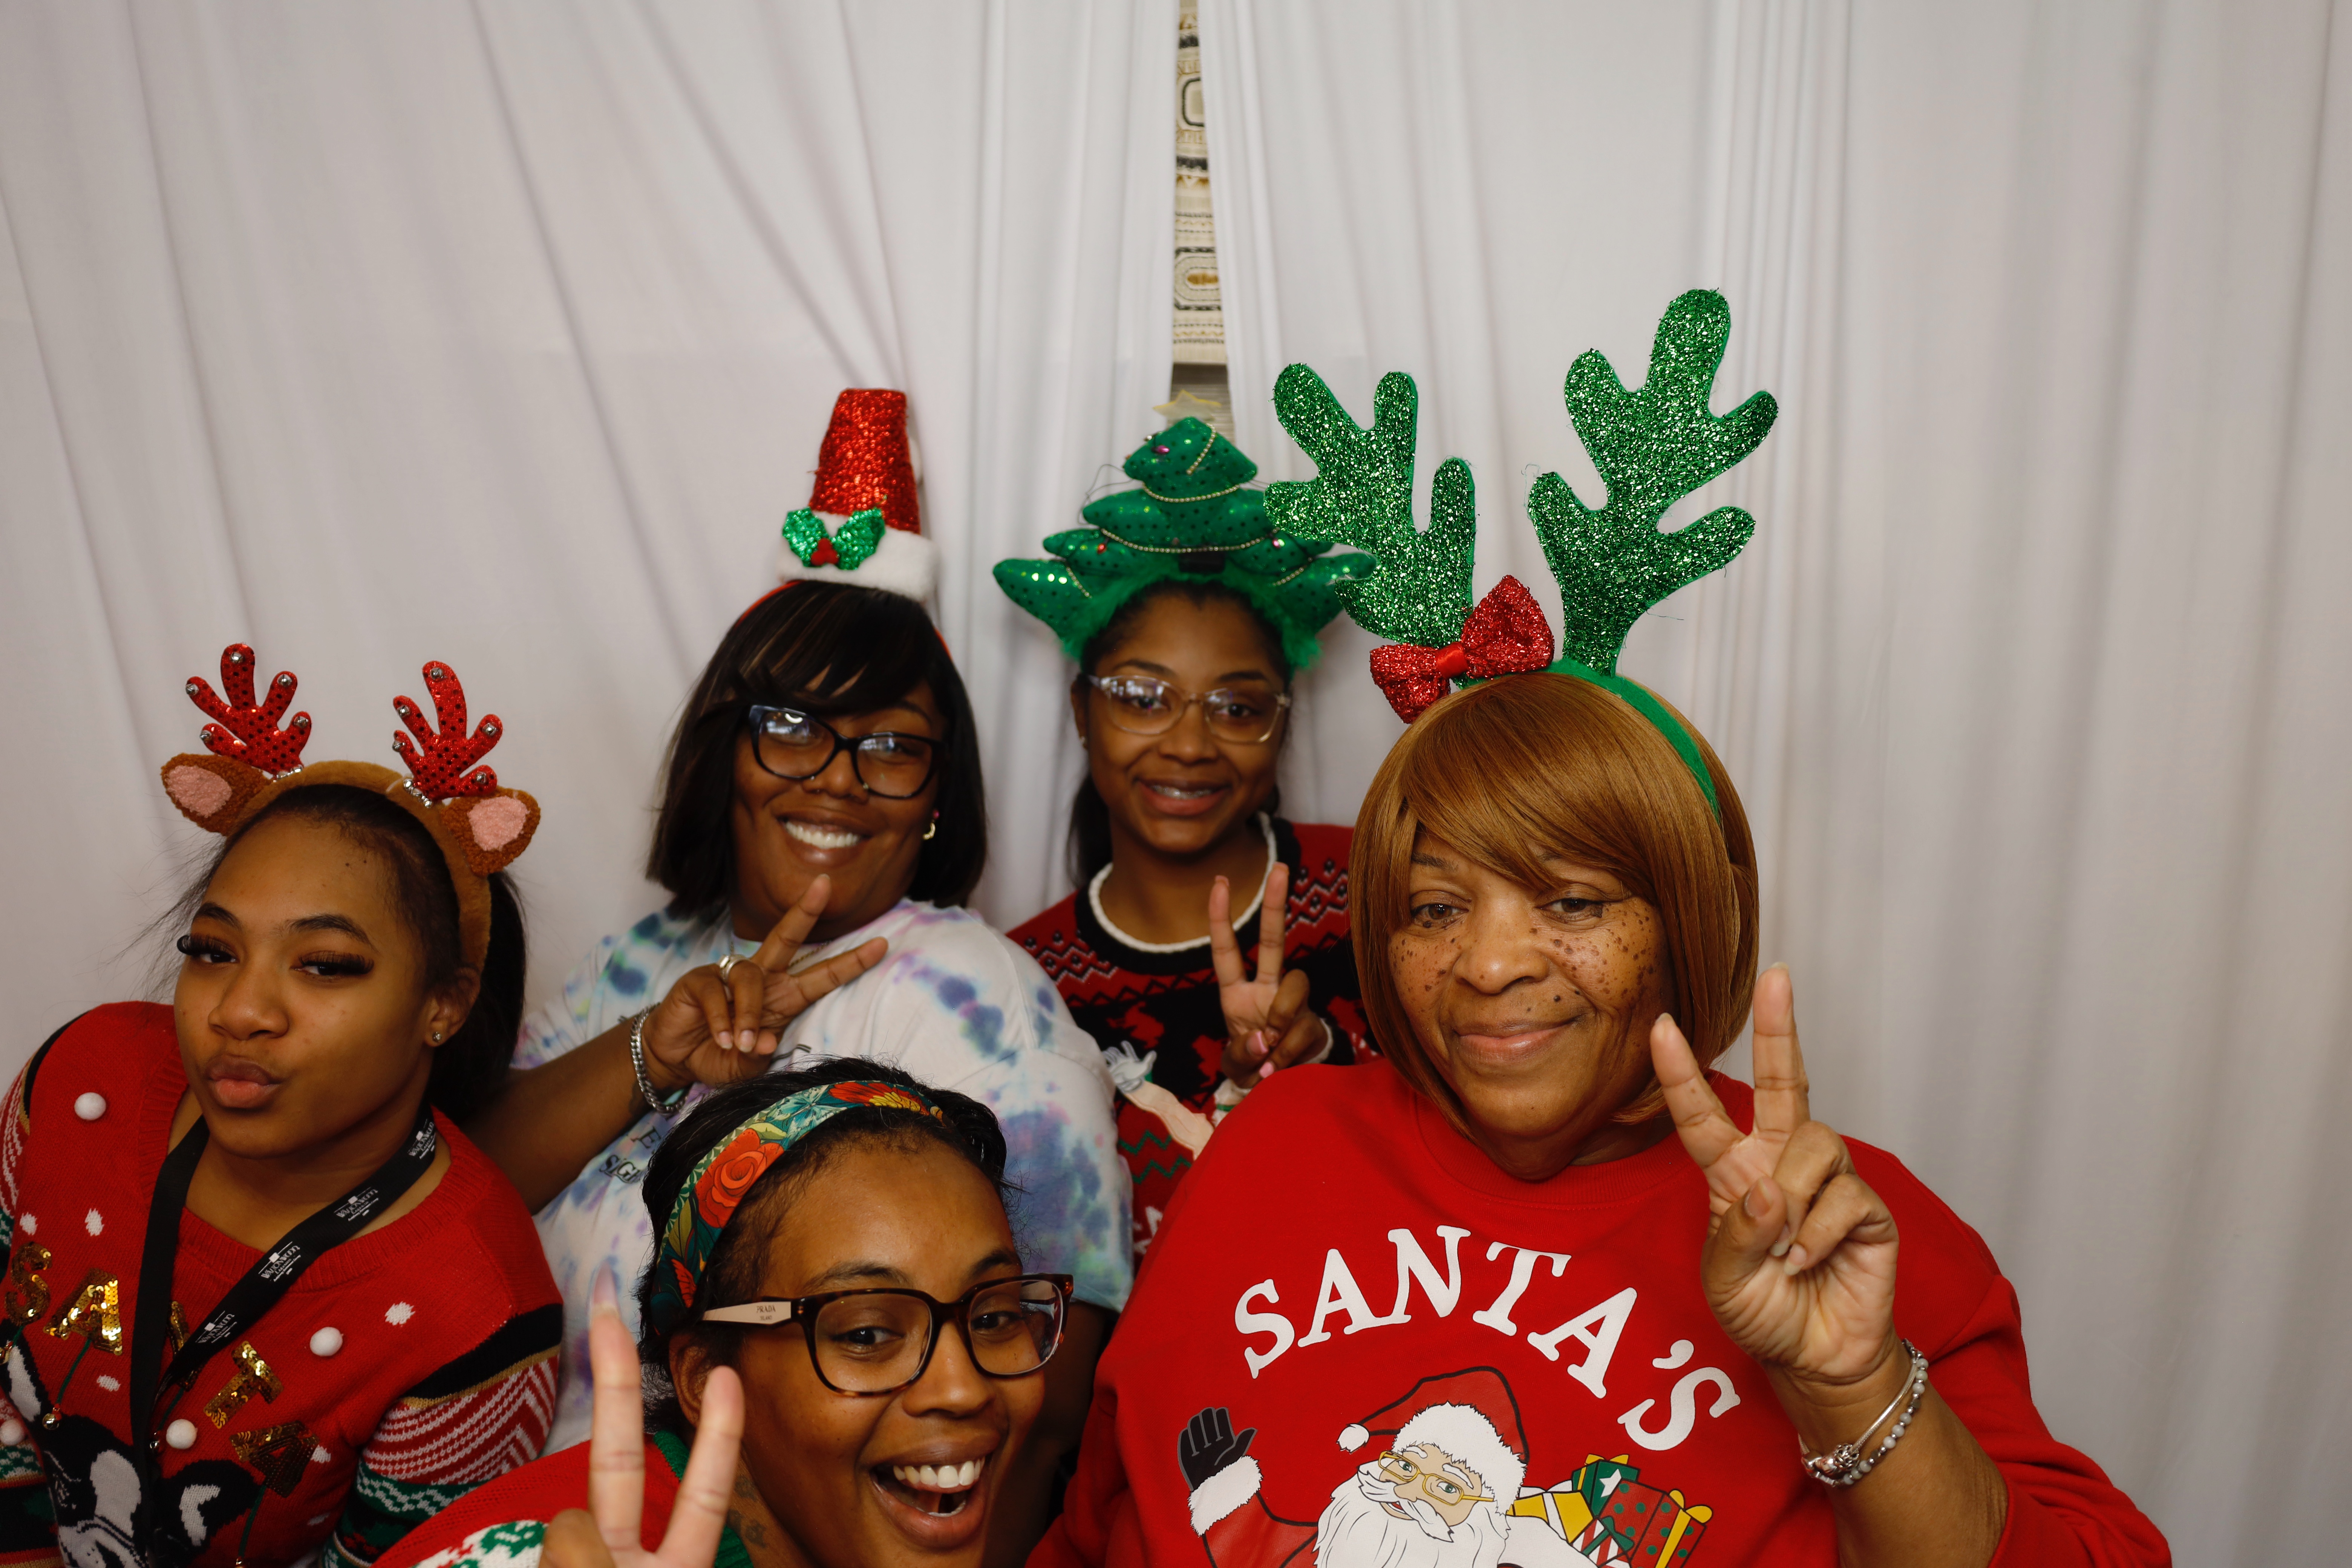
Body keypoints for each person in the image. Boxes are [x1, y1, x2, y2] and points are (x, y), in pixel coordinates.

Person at [1036, 302, 2168, 1566]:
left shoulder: (1845, 1226)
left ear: (1688, 916)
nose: (1489, 965)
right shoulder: (1271, 1151)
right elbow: (1095, 1529)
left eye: (1571, 901)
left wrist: (1851, 1387)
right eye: (1434, 908)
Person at [465, 392, 1129, 1560]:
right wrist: (652, 1054)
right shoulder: (637, 962)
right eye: (792, 726)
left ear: (936, 798)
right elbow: (463, 1203)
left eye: (892, 747)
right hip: (529, 1520)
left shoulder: (975, 996)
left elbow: (1042, 1394)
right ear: (726, 751)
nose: (836, 778)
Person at [0, 646, 562, 1568]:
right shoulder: (81, 1080)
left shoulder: (478, 1314)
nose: (239, 1010)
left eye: (325, 965)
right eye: (214, 951)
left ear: (444, 1005)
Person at [373, 1062, 1068, 1568]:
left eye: (994, 1319)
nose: (962, 1389)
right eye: (866, 1333)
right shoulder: (532, 1554)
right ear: (705, 1378)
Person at [995, 418, 1378, 1262]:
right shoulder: (1025, 983)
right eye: (1143, 697)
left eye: (1238, 707)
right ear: (1081, 712)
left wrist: (1320, 1056)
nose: (1190, 744)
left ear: (1283, 724)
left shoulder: (1377, 887)